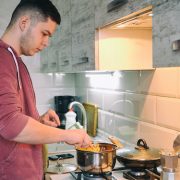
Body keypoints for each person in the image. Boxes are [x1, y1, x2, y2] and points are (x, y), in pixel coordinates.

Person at [0, 0, 92, 179]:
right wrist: (67, 135)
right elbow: (10, 124)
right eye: (44, 33)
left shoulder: (14, 61)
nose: (46, 42)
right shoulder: (2, 61)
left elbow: (10, 116)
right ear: (24, 23)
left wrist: (38, 121)